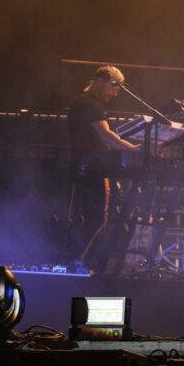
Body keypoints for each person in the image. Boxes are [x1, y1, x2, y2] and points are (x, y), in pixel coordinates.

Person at [67, 65, 140, 272]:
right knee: (99, 217)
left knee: (87, 215)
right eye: (114, 86)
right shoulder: (90, 104)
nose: (116, 92)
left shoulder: (80, 101)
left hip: (82, 166)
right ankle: (84, 262)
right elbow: (106, 135)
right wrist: (133, 148)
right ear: (100, 81)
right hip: (93, 169)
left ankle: (78, 259)